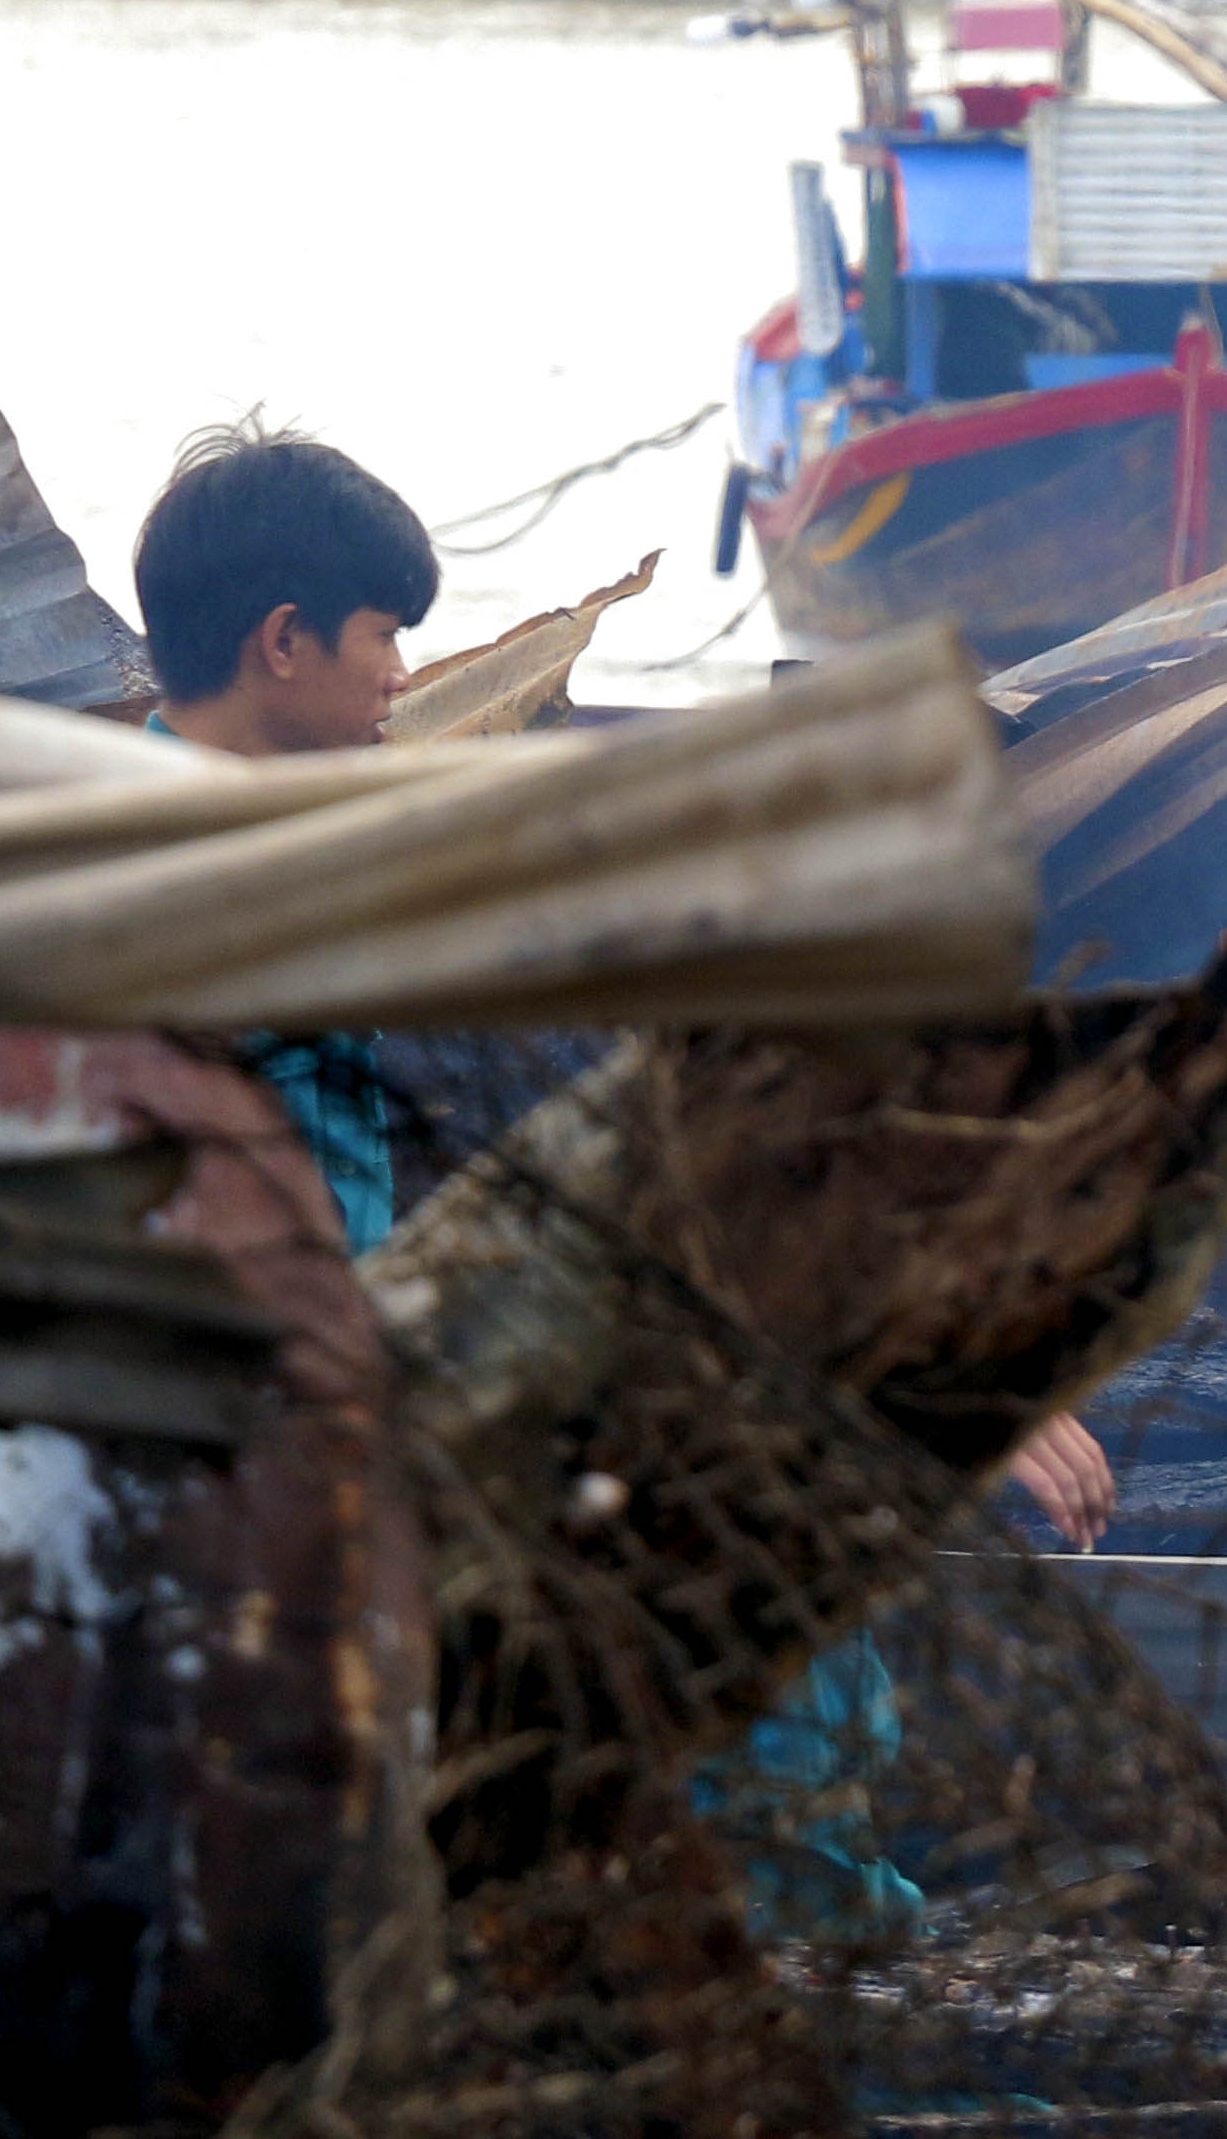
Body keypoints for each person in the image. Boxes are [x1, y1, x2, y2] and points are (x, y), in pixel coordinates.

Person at [130, 421, 1124, 1549]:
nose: (404, 679)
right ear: (284, 644)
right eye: (384, 637)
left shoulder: (188, 867)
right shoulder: (201, 897)